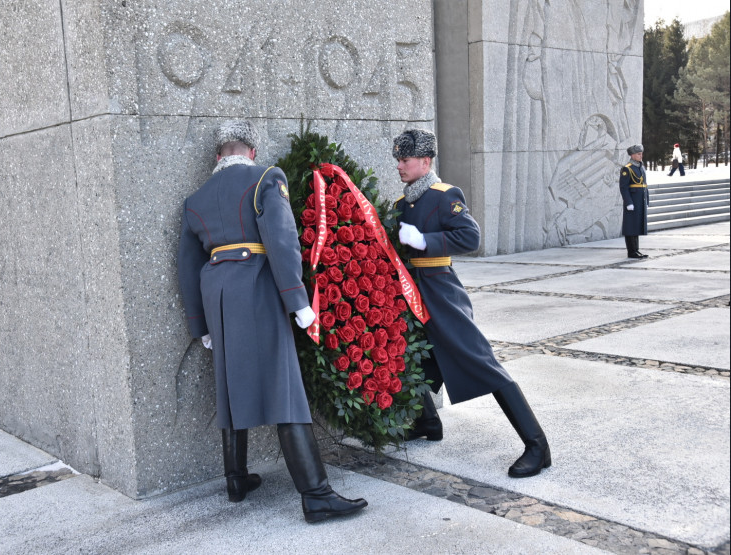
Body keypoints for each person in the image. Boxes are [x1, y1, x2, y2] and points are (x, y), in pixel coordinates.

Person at [177, 120, 367, 523]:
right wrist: (298, 300)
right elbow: (281, 240)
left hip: (217, 295)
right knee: (285, 387)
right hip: (258, 287)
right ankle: (316, 495)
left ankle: (236, 480)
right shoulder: (265, 178)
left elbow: (187, 265)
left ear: (218, 155)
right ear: (252, 151)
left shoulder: (195, 198)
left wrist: (200, 325)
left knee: (230, 385)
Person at [392, 129, 551, 478]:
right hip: (412, 293)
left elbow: (470, 237)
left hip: (441, 292)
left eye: (405, 160)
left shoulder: (444, 195)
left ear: (425, 161)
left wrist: (425, 240)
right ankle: (427, 422)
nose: (399, 166)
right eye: (398, 160)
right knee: (411, 357)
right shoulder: (402, 204)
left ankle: (537, 445)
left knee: (482, 362)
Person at [620, 144, 650, 259]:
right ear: (632, 155)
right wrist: (628, 202)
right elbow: (624, 188)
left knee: (636, 226)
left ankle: (636, 250)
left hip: (640, 201)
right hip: (632, 201)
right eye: (638, 154)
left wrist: (647, 199)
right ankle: (631, 251)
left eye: (641, 154)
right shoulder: (627, 169)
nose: (641, 156)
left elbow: (644, 185)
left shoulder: (640, 167)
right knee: (630, 226)